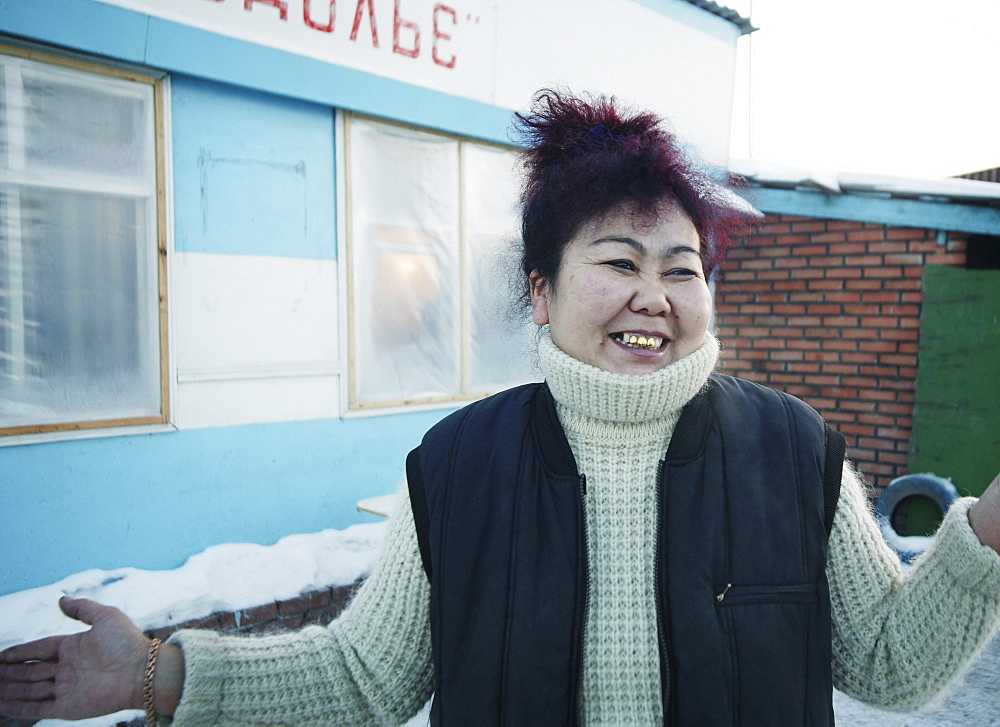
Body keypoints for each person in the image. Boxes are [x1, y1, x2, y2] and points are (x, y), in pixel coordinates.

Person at [2, 90, 999, 725]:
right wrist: (152, 675)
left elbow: (887, 663)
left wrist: (988, 529)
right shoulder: (460, 465)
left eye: (682, 269)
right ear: (540, 291)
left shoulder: (792, 452)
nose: (653, 295)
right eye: (617, 262)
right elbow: (363, 675)